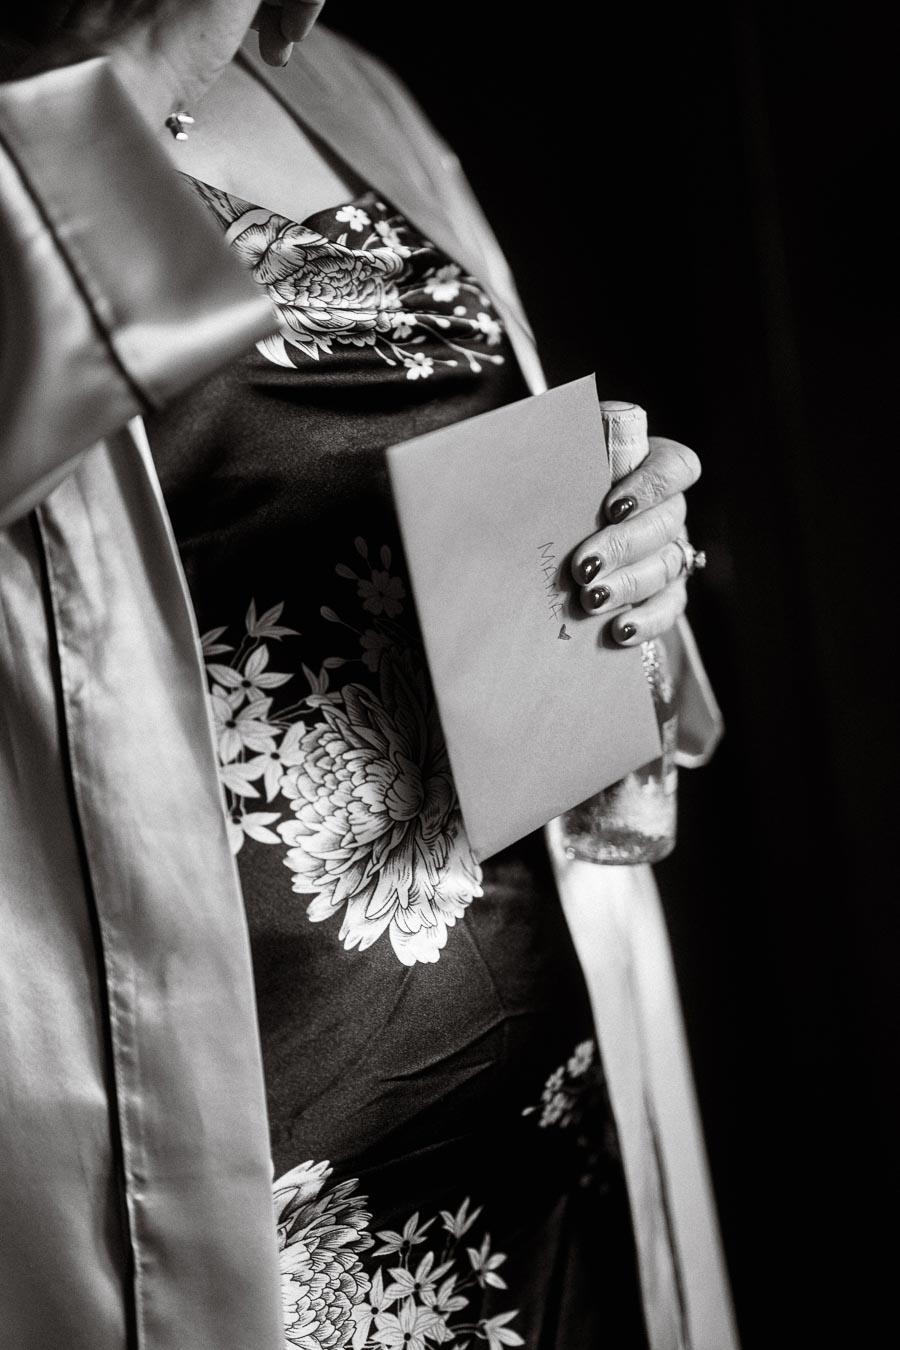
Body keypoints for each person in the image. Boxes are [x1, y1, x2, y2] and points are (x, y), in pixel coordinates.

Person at [0, 4, 732, 1349]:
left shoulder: (348, 90)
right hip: (221, 1204)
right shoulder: (43, 91)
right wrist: (128, 59)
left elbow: (455, 535)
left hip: (538, 1128)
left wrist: (628, 564)